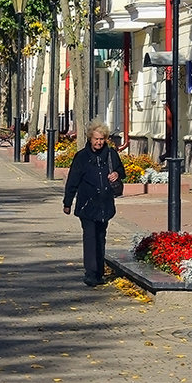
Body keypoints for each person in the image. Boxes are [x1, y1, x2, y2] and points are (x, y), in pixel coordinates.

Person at [62, 120, 124, 287]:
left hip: (105, 204)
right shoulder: (81, 157)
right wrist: (67, 202)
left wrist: (117, 174)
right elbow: (73, 181)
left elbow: (121, 171)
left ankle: (99, 272)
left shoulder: (111, 155)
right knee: (90, 238)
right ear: (90, 138)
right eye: (96, 139)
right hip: (87, 204)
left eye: (102, 139)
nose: (99, 142)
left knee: (100, 237)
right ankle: (91, 273)